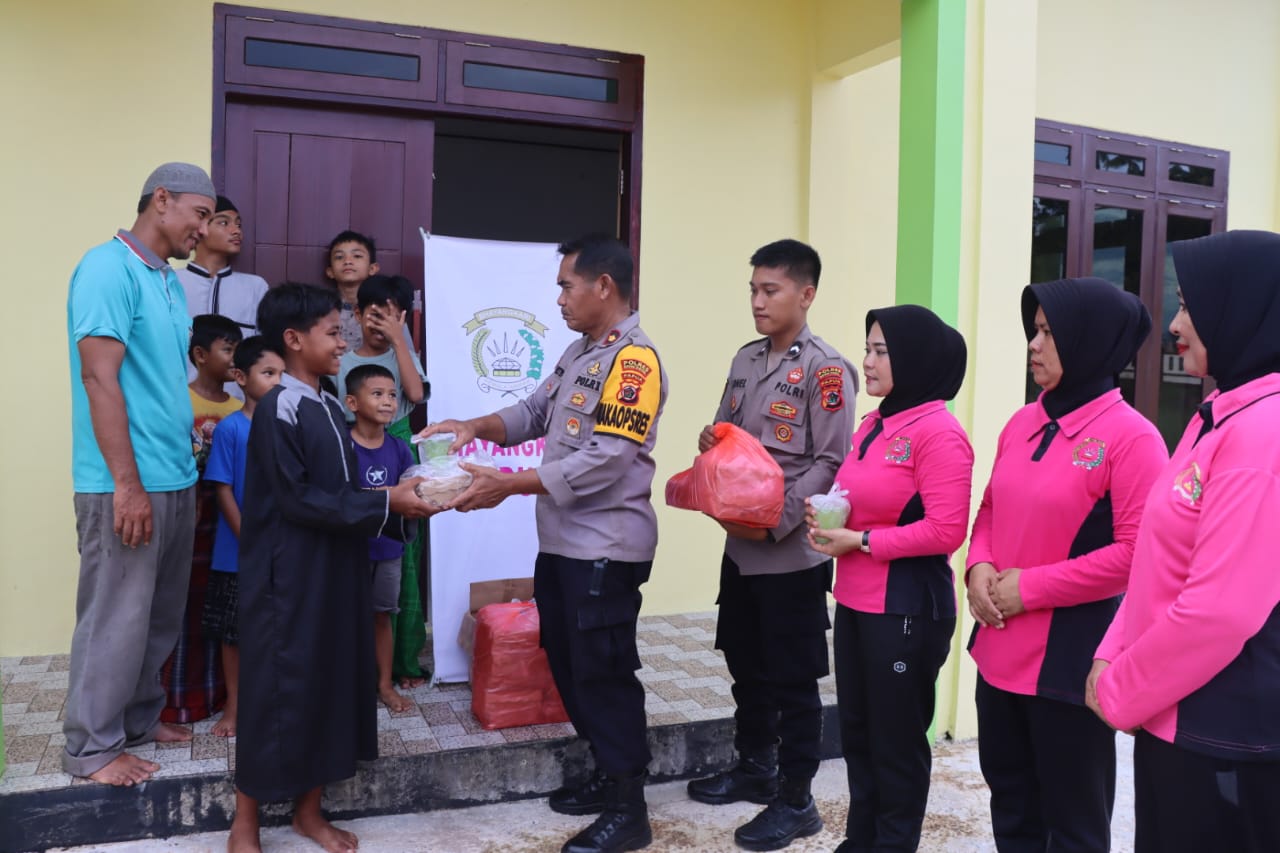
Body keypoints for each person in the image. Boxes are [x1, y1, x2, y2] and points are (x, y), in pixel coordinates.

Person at [419, 234, 666, 853]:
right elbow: (533, 413)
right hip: (564, 545)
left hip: (605, 549)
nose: (558, 298)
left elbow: (607, 459)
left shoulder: (634, 362)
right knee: (570, 660)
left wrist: (509, 485)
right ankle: (606, 776)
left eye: (566, 285)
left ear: (603, 287)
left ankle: (628, 809)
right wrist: (472, 426)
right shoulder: (581, 353)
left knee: (603, 673)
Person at [1087, 230, 1280, 853]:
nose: (1174, 323)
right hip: (1178, 717)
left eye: (1190, 305)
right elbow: (1157, 557)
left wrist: (1119, 689)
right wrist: (1110, 652)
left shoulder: (1262, 435)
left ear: (1243, 308)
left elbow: (1221, 611)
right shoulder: (1220, 416)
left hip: (1221, 733)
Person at [229, 283, 434, 853]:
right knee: (273, 692)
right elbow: (296, 501)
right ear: (293, 340)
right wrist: (387, 501)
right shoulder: (281, 406)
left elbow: (343, 491)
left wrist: (399, 494)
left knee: (325, 685)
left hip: (333, 572)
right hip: (287, 578)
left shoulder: (324, 404)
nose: (343, 341)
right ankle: (244, 824)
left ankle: (309, 814)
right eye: (330, 331)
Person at [966, 277, 1168, 852]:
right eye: (1035, 330)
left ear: (1090, 342)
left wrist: (1031, 588)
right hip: (999, 648)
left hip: (1067, 662)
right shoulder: (1021, 422)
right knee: (1010, 802)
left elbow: (1135, 554)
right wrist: (978, 568)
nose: (1034, 344)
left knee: (1073, 822)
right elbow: (988, 511)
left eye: (1050, 334)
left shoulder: (1133, 439)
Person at [687, 238, 857, 852]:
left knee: (792, 680)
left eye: (770, 290)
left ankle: (797, 800)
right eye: (753, 290)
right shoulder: (745, 358)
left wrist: (776, 521)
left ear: (805, 295)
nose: (757, 301)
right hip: (740, 546)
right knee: (744, 664)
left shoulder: (827, 370)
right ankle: (754, 768)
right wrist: (713, 440)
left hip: (787, 552)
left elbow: (830, 462)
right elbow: (731, 437)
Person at [63, 161, 216, 785]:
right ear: (161, 200)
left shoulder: (170, 284)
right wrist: (127, 484)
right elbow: (99, 377)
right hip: (125, 482)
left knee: (157, 612)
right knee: (115, 614)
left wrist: (188, 455)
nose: (203, 230)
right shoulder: (107, 268)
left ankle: (136, 720)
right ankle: (92, 749)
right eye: (199, 215)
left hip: (174, 476)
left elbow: (160, 383)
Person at [805, 305, 972, 852]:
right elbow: (867, 500)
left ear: (915, 359)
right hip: (855, 600)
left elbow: (946, 529)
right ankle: (861, 842)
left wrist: (865, 541)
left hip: (904, 608)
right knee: (857, 734)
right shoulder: (874, 424)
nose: (868, 361)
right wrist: (831, 520)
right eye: (869, 348)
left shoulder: (938, 433)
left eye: (881, 351)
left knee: (895, 743)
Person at [334, 273, 431, 688]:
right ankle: (358, 671)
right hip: (354, 452)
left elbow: (416, 393)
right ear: (356, 314)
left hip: (399, 453)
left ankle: (404, 665)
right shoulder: (343, 362)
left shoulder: (402, 354)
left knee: (403, 565)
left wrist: (400, 340)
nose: (381, 323)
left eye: (392, 315)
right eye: (375, 314)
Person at [160, 314, 243, 724]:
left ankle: (220, 694)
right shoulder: (181, 401)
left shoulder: (241, 408)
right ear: (199, 354)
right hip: (192, 513)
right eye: (227, 348)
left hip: (228, 520)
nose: (234, 357)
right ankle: (179, 700)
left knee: (223, 608)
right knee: (185, 606)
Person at [200, 336, 285, 738]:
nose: (277, 382)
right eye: (269, 373)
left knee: (278, 630)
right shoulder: (231, 429)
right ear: (240, 377)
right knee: (233, 635)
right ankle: (233, 706)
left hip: (284, 552)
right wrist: (248, 538)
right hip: (237, 554)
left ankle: (273, 702)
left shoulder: (290, 427)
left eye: (282, 374)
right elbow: (221, 488)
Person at [344, 363, 418, 713]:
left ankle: (384, 684)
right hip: (348, 550)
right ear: (352, 403)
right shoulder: (340, 446)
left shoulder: (400, 448)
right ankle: (349, 685)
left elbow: (412, 494)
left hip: (388, 549)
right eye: (377, 394)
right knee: (344, 617)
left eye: (392, 395)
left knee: (382, 616)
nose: (388, 402)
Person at [175, 195, 269, 400]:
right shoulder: (171, 281)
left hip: (239, 405)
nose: (236, 231)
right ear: (200, 228)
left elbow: (264, 352)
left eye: (238, 224)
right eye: (224, 223)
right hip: (180, 403)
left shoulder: (255, 287)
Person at [325, 229, 381, 352]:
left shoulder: (384, 311)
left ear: (372, 268)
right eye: (339, 257)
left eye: (357, 256)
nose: (348, 261)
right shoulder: (322, 311)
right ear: (330, 272)